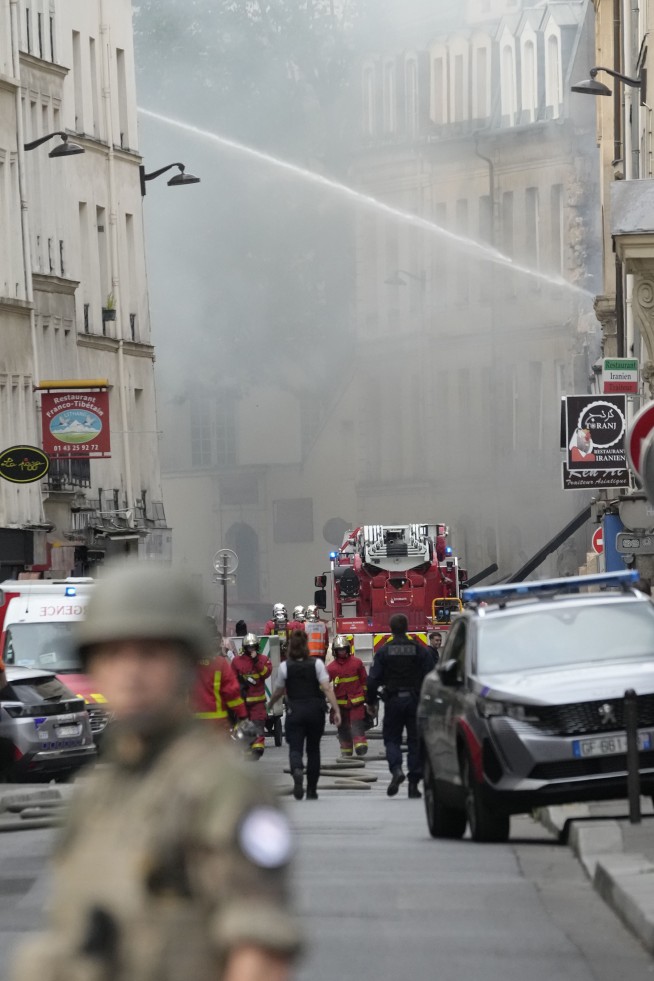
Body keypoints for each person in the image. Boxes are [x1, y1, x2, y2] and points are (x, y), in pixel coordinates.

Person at [11, 561, 301, 981]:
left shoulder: (225, 791)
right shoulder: (96, 793)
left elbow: (258, 953)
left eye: (150, 654)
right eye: (112, 654)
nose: (131, 672)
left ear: (185, 664)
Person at [268, 629, 340, 801]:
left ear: (291, 646)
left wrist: (269, 705)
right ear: (306, 646)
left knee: (295, 748)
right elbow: (327, 688)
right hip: (315, 711)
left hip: (295, 711)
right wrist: (336, 709)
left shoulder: (285, 667)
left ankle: (298, 770)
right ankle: (312, 790)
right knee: (313, 750)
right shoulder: (317, 664)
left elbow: (279, 691)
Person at [366, 613, 433, 799]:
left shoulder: (384, 652)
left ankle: (396, 770)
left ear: (390, 628)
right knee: (415, 741)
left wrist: (371, 703)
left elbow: (372, 681)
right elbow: (431, 677)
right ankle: (413, 784)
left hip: (393, 701)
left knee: (392, 739)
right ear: (407, 627)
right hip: (415, 701)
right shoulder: (419, 650)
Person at [191, 617, 248, 732]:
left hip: (192, 726)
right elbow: (232, 693)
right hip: (217, 724)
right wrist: (243, 715)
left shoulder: (187, 664)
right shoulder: (220, 664)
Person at [232, 633, 273, 758]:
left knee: (258, 725)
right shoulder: (237, 661)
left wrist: (256, 661)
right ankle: (245, 749)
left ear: (257, 647)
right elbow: (230, 680)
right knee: (242, 727)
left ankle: (257, 749)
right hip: (242, 702)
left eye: (253, 647)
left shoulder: (263, 659)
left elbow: (266, 673)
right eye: (249, 647)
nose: (251, 650)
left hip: (258, 702)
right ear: (245, 648)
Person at [326, 635, 368, 757]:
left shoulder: (357, 663)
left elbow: (364, 681)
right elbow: (324, 684)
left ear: (348, 649)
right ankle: (346, 753)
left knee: (357, 725)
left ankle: (361, 746)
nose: (342, 652)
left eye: (343, 649)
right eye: (339, 650)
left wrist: (367, 697)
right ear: (335, 651)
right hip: (340, 706)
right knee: (343, 730)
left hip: (357, 703)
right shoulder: (331, 668)